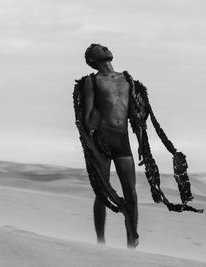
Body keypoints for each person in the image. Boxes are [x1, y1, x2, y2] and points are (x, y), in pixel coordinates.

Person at [82, 44, 139, 248]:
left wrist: (141, 142)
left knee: (131, 193)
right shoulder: (92, 81)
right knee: (102, 192)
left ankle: (131, 244)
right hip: (102, 141)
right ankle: (101, 242)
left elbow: (136, 114)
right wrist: (90, 141)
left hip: (122, 141)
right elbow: (87, 119)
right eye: (98, 48)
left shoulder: (127, 78)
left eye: (104, 46)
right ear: (92, 59)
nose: (104, 48)